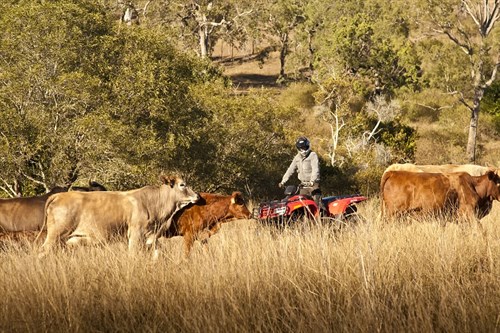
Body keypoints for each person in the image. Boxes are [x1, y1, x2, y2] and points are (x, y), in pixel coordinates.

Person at [279, 136, 322, 207]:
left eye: (305, 147)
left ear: (308, 146)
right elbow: (290, 169)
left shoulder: (313, 155)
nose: (303, 150)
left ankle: (322, 216)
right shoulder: (297, 158)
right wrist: (283, 181)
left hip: (313, 185)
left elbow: (315, 169)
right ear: (298, 148)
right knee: (302, 203)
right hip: (303, 185)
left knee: (317, 203)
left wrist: (312, 181)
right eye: (301, 148)